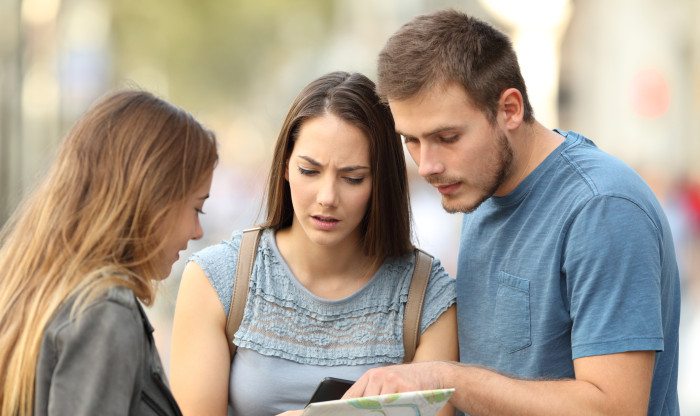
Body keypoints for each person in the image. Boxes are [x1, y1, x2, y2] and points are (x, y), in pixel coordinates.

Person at [344, 8, 681, 416]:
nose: (426, 164)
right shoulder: (478, 187)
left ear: (509, 109)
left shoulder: (602, 208)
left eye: (446, 137)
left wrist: (443, 379)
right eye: (411, 140)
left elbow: (614, 408)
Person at [169, 71, 458, 416]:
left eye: (352, 178)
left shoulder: (428, 297)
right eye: (309, 171)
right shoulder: (216, 278)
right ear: (286, 167)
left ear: (381, 182)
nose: (327, 197)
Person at [0, 89, 219, 416]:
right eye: (196, 209)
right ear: (153, 198)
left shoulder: (34, 287)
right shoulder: (104, 313)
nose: (197, 232)